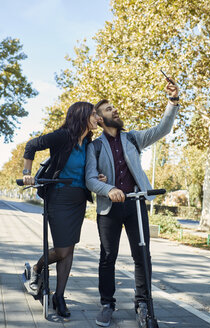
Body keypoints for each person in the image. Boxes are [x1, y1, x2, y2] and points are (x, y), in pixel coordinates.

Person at [85, 79, 179, 327]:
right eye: (108, 109)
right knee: (108, 256)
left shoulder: (134, 139)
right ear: (101, 119)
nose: (115, 110)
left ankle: (144, 304)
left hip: (136, 204)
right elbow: (91, 179)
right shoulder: (94, 147)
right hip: (109, 208)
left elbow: (162, 129)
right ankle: (107, 304)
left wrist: (172, 101)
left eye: (114, 107)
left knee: (142, 255)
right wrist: (109, 189)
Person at [22, 101, 104, 318]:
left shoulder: (88, 143)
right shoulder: (62, 136)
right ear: (83, 115)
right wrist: (26, 172)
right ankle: (37, 269)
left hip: (79, 199)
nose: (98, 117)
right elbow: (31, 145)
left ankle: (59, 295)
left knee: (70, 248)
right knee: (62, 250)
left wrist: (98, 177)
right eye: (94, 114)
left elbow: (88, 171)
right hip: (58, 197)